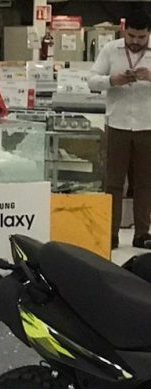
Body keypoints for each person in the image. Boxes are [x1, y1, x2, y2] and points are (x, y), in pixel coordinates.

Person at [89, 13, 151, 249]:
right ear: (124, 30)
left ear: (148, 33)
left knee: (145, 183)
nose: (135, 41)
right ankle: (110, 233)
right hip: (117, 125)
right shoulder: (110, 50)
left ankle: (142, 234)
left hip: (148, 125)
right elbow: (91, 80)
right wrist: (112, 81)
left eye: (141, 37)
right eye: (131, 36)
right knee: (113, 183)